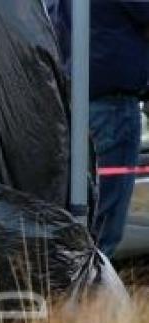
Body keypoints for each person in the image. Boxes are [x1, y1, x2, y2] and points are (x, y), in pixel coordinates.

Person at [46, 0, 149, 257]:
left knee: (81, 211)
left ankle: (75, 284)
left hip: (73, 108)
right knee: (105, 222)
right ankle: (92, 288)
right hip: (112, 110)